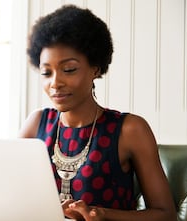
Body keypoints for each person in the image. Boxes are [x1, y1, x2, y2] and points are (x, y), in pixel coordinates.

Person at [19, 4, 176, 221]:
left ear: (96, 68)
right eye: (47, 72)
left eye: (69, 69)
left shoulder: (130, 130)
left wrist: (101, 214)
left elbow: (165, 215)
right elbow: (10, 195)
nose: (55, 83)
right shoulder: (36, 124)